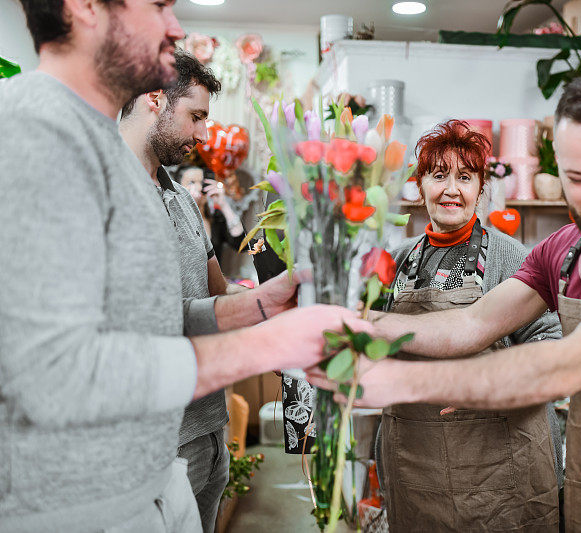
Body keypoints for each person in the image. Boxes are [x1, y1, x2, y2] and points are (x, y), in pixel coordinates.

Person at [310, 77, 581, 532]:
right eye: (579, 178)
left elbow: (562, 364)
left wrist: (395, 381)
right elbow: (472, 323)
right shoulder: (564, 249)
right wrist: (360, 322)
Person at [0, 1, 366, 531]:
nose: (175, 26)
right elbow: (51, 372)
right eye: (158, 5)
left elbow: (159, 319)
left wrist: (264, 304)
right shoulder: (37, 129)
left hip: (146, 482)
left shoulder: (111, 153)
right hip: (76, 507)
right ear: (83, 7)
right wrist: (268, 345)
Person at [118, 49, 287, 532]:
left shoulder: (180, 198)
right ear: (155, 99)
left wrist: (279, 317)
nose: (203, 135)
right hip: (152, 442)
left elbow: (219, 291)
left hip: (208, 429)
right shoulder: (110, 192)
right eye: (196, 116)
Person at [378, 120, 562, 531]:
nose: (451, 190)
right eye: (439, 175)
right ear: (419, 184)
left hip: (500, 469)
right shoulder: (396, 261)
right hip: (416, 463)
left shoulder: (510, 256)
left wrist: (489, 383)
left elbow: (551, 340)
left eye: (465, 177)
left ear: (481, 188)